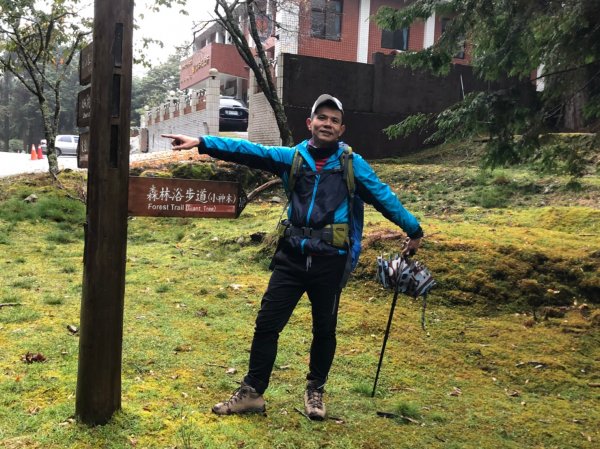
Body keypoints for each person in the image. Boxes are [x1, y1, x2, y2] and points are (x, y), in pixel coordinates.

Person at [162, 94, 423, 420]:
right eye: (321, 117)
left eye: (333, 120)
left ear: (342, 129)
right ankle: (252, 393)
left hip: (331, 260)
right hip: (292, 258)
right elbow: (251, 152)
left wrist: (414, 229)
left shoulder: (352, 165)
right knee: (267, 324)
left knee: (324, 329)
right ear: (309, 123)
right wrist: (202, 142)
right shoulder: (292, 158)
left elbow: (385, 198)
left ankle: (315, 391)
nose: (327, 124)